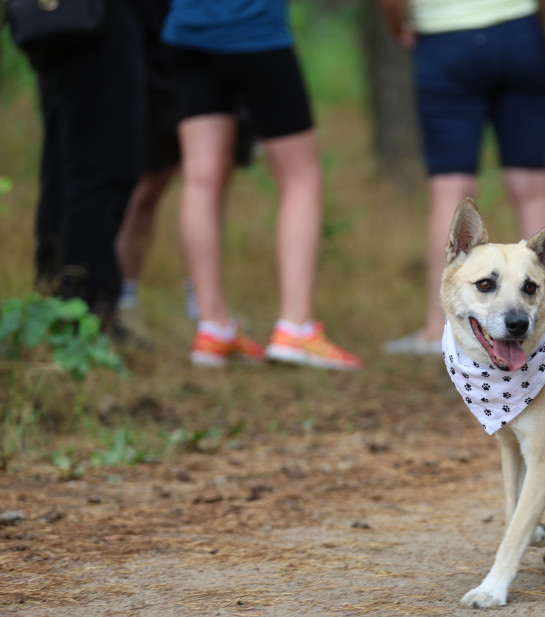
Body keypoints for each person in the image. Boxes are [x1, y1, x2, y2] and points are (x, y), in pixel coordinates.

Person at [162, 0, 364, 370]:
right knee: (301, 177)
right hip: (256, 35)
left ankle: (213, 328)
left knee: (200, 179)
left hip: (187, 32)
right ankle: (295, 327)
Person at [379, 0, 545, 356]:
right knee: (532, 186)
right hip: (521, 32)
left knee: (451, 189)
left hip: (446, 37)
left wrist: (397, 24)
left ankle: (438, 330)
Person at [22, 0, 151, 333]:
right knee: (100, 167)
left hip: (60, 20)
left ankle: (54, 296)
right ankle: (86, 308)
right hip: (98, 25)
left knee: (64, 162)